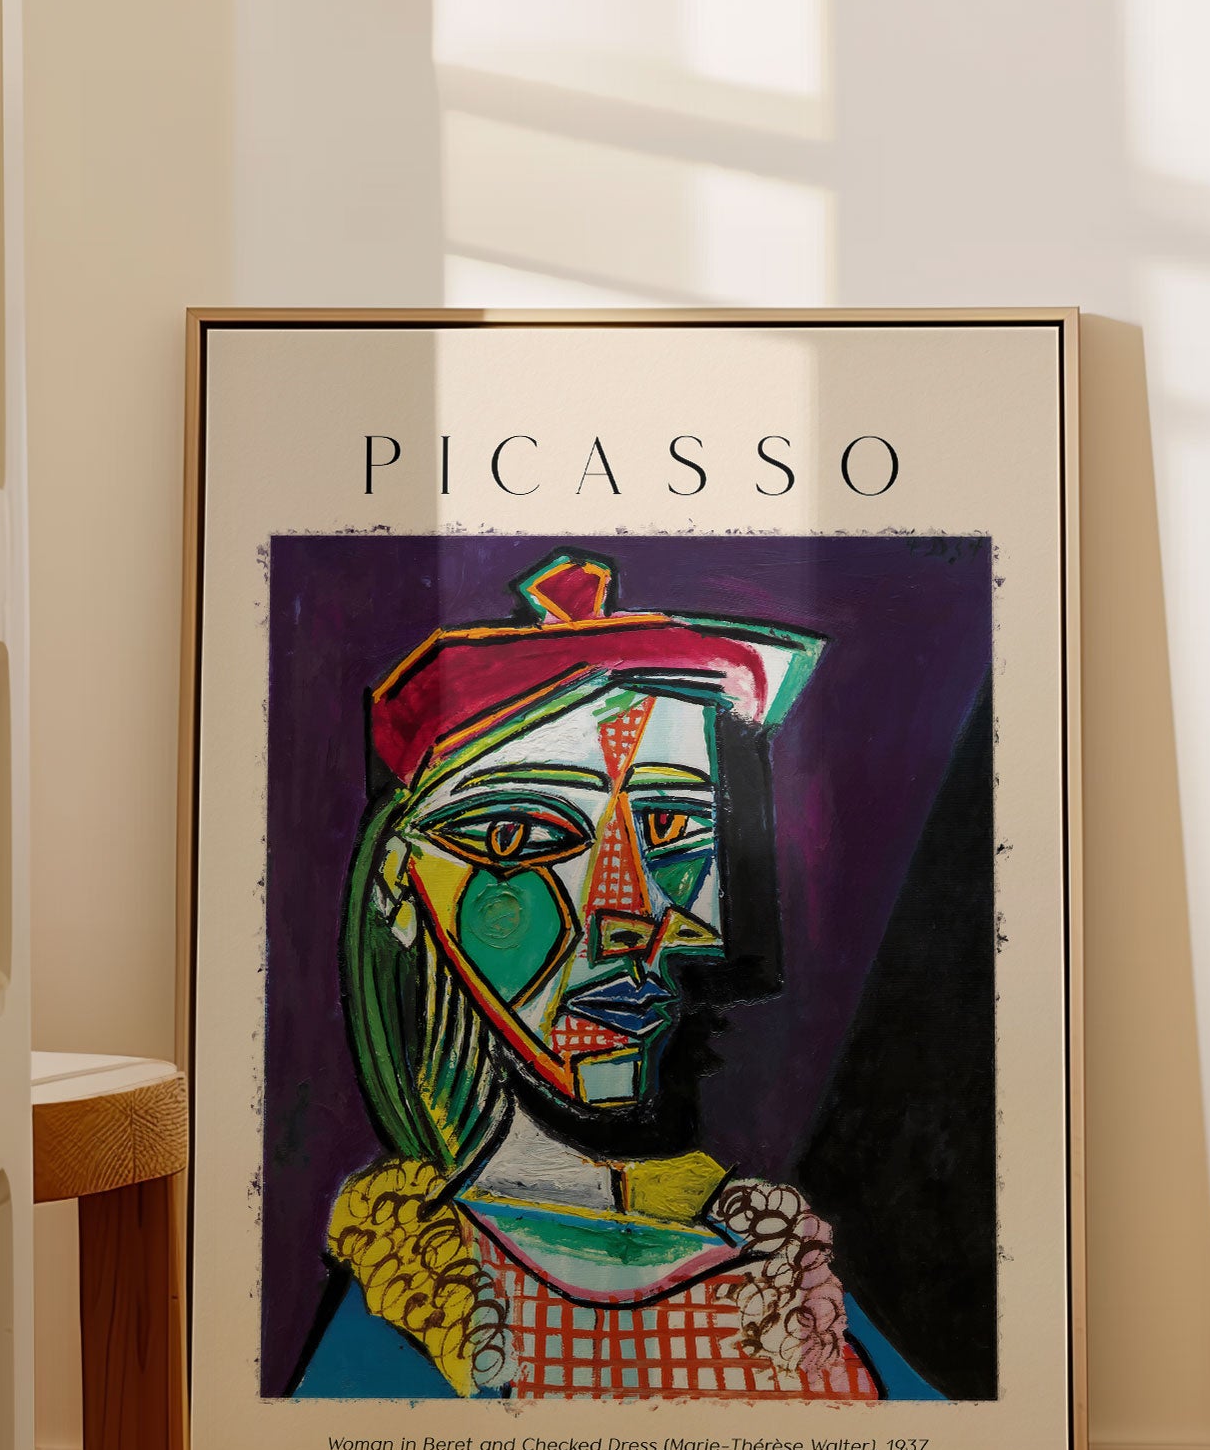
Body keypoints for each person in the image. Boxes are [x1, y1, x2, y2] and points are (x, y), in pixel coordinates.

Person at [290, 548, 940, 1403]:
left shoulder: (789, 1283)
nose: (628, 913)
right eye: (521, 836)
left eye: (671, 828)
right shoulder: (416, 1291)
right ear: (401, 885)